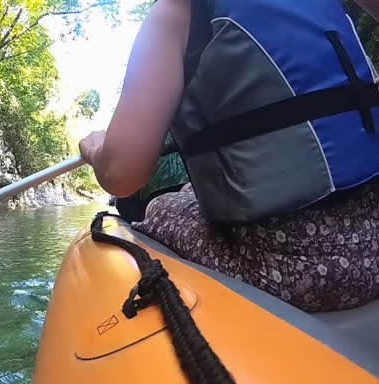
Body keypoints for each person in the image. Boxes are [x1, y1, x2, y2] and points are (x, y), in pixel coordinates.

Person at [79, 0, 379, 312]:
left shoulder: (175, 11)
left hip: (296, 272)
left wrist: (95, 147)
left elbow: (121, 175)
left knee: (159, 206)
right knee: (187, 193)